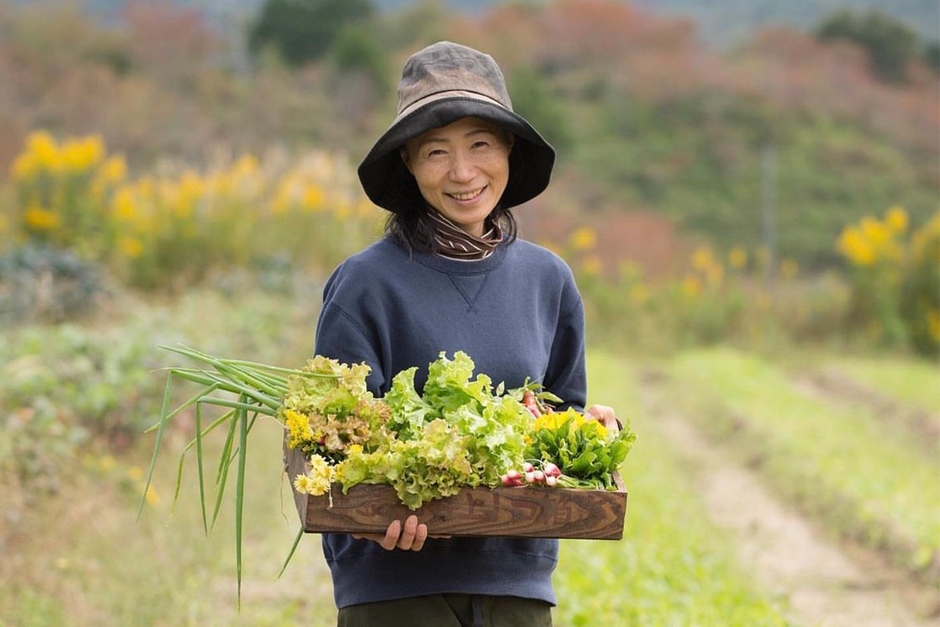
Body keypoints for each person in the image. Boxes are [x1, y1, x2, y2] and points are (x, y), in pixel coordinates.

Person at [313, 40, 621, 627]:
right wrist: (380, 505)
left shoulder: (547, 279)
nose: (462, 172)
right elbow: (335, 442)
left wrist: (587, 434)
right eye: (436, 151)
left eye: (480, 144)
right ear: (408, 162)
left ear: (508, 149)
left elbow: (553, 422)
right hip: (396, 590)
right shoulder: (365, 284)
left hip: (517, 584)